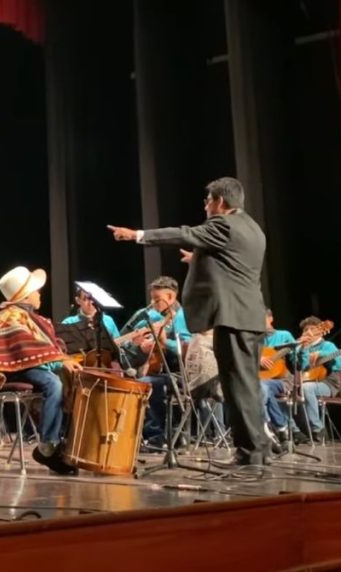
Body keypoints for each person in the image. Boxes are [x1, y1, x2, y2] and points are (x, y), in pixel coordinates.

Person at [109, 176, 269, 465]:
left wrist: (137, 235)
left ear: (220, 201)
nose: (206, 206)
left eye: (208, 200)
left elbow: (183, 232)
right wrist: (196, 260)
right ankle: (259, 449)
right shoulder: (253, 228)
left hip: (233, 318)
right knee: (248, 385)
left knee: (236, 386)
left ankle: (249, 454)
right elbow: (233, 265)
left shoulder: (223, 224)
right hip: (250, 316)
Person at [0, 266, 83, 474]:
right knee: (53, 383)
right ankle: (48, 445)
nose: (39, 293)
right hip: (10, 369)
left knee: (71, 379)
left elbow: (40, 350)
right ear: (25, 296)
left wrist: (60, 361)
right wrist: (59, 361)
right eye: (35, 290)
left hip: (29, 366)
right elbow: (23, 349)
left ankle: (66, 441)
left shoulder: (28, 317)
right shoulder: (11, 316)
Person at [118, 276, 192, 445]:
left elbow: (188, 348)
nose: (152, 303)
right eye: (151, 298)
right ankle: (138, 435)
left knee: (146, 383)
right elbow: (123, 339)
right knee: (133, 380)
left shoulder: (181, 316)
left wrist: (165, 343)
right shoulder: (149, 316)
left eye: (157, 299)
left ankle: (155, 435)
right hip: (159, 370)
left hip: (179, 373)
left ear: (171, 298)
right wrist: (137, 346)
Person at [288, 316, 341, 444]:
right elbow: (301, 367)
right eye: (305, 330)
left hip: (327, 384)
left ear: (320, 331)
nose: (308, 332)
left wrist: (321, 354)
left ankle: (318, 429)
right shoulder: (298, 348)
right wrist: (304, 348)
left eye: (312, 329)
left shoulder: (328, 345)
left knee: (307, 388)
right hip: (302, 382)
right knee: (281, 392)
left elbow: (340, 364)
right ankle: (295, 432)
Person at [259, 309, 297, 442]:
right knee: (263, 388)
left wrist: (301, 349)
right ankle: (281, 427)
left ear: (270, 319)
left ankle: (265, 424)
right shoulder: (253, 340)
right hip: (260, 381)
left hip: (282, 380)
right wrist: (258, 358)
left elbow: (299, 363)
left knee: (262, 387)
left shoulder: (284, 335)